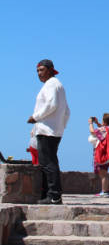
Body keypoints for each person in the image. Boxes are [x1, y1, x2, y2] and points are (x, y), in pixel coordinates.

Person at [27, 59, 70, 205]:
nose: (39, 73)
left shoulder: (52, 85)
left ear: (51, 70)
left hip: (47, 130)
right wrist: (61, 127)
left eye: (42, 70)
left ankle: (54, 196)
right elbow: (67, 111)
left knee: (48, 163)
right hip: (53, 130)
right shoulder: (58, 86)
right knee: (48, 162)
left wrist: (35, 117)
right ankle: (48, 194)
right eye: (37, 71)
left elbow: (52, 105)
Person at [89, 113, 109, 198]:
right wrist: (97, 123)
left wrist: (90, 123)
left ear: (104, 121)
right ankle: (107, 190)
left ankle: (104, 192)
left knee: (103, 174)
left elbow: (92, 132)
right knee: (104, 172)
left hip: (104, 154)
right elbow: (103, 128)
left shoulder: (104, 129)